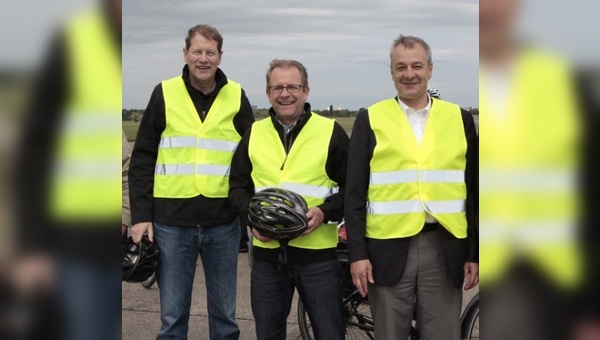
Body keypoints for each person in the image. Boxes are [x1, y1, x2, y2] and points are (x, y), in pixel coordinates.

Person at [345, 35, 479, 340]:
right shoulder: (371, 118)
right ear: (391, 72)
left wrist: (475, 252)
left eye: (417, 66)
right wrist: (357, 255)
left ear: (430, 69)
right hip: (387, 250)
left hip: (444, 247)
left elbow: (473, 191)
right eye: (401, 67)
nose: (409, 74)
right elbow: (354, 194)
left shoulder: (459, 118)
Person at [128, 24, 254, 339]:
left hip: (223, 224)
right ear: (185, 54)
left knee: (225, 318)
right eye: (197, 51)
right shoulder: (165, 92)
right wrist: (141, 215)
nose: (203, 58)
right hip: (171, 224)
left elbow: (254, 156)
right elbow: (143, 157)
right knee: (172, 319)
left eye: (210, 52)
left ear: (220, 56)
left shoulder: (236, 96)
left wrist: (251, 214)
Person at [229, 59, 348, 340]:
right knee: (268, 334)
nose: (285, 93)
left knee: (330, 333)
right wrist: (252, 218)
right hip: (268, 258)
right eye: (277, 87)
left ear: (306, 91)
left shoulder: (331, 132)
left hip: (318, 257)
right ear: (268, 93)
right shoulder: (254, 133)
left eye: (292, 86)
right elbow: (237, 186)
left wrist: (324, 211)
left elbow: (352, 188)